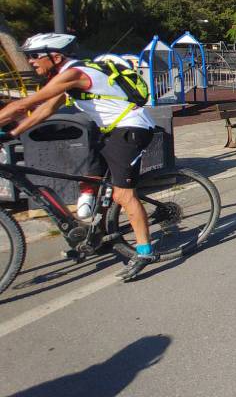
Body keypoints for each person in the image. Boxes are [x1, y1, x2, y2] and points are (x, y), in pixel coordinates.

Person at [0, 33, 156, 281]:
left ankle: (145, 250)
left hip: (130, 128)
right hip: (109, 129)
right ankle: (99, 237)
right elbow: (45, 110)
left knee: (123, 194)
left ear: (57, 56)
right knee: (93, 181)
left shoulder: (73, 74)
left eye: (35, 56)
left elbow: (24, 105)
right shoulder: (67, 78)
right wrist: (12, 133)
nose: (30, 61)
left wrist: (8, 122)